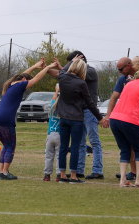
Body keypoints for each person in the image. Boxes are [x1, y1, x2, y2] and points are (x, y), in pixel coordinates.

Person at [0, 58, 58, 180]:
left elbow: (23, 75)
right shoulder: (20, 84)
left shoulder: (11, 85)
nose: (27, 83)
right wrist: (47, 68)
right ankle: (5, 172)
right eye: (26, 80)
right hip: (5, 119)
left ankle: (0, 171)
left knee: (6, 144)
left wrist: (34, 66)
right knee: (11, 146)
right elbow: (36, 79)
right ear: (23, 80)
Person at [48, 51, 103, 179]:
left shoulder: (90, 71)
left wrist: (64, 67)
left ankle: (97, 170)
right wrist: (51, 68)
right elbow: (65, 74)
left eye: (71, 61)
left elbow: (68, 74)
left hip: (89, 110)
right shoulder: (73, 75)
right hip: (77, 111)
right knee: (80, 143)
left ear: (79, 61)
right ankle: (78, 170)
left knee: (94, 140)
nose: (69, 64)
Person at [108, 66, 139, 187]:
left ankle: (122, 180)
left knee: (125, 149)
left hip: (114, 119)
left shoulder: (129, 84)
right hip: (130, 121)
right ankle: (138, 180)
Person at [102, 57, 138, 181]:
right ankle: (133, 173)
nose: (119, 71)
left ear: (129, 65)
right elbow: (113, 98)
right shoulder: (122, 79)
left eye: (121, 69)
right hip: (128, 117)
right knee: (129, 145)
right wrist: (108, 116)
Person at [43, 84, 61, 182]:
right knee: (59, 156)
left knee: (48, 156)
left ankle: (47, 175)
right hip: (59, 135)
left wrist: (57, 91)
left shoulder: (52, 108)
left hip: (50, 135)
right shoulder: (63, 111)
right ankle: (59, 175)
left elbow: (53, 99)